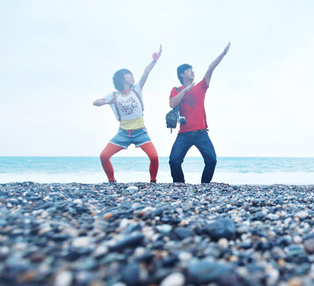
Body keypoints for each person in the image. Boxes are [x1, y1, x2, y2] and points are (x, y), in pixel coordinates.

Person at [93, 45, 162, 183]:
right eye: (128, 74)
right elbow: (95, 102)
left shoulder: (136, 89)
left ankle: (153, 182)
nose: (132, 77)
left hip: (140, 132)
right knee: (104, 156)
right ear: (122, 78)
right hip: (123, 133)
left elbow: (146, 72)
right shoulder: (113, 95)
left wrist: (155, 60)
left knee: (154, 157)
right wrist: (108, 102)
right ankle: (112, 181)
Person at [168, 42, 231, 184]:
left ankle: (205, 185)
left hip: (201, 132)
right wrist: (185, 90)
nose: (193, 72)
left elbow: (210, 68)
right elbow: (172, 103)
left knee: (212, 160)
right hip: (184, 133)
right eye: (190, 70)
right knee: (174, 161)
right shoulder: (176, 90)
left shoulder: (201, 87)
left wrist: (223, 54)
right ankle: (180, 185)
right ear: (182, 74)